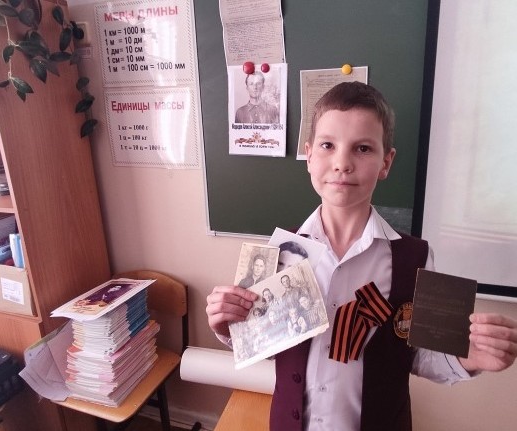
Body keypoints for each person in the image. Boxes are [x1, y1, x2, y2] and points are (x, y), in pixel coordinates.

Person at [206, 82, 517, 430]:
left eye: (363, 148)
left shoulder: (413, 258)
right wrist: (230, 326)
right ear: (309, 155)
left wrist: (468, 358)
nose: (342, 163)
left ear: (386, 162)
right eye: (327, 145)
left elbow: (419, 356)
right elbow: (268, 342)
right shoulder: (280, 251)